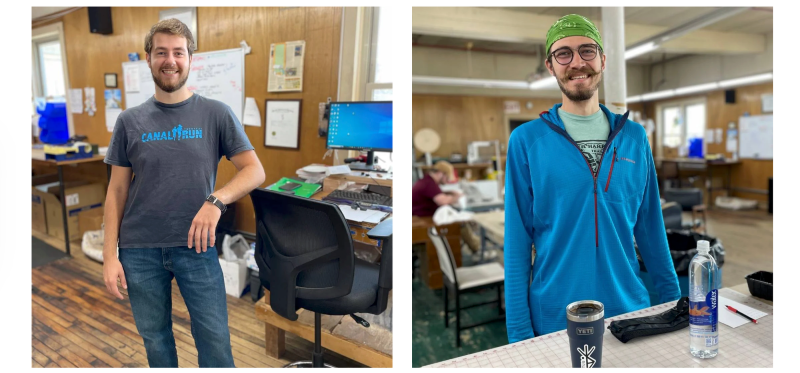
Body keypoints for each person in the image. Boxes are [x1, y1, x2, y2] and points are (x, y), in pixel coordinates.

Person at [503, 14, 680, 342]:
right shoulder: (526, 141)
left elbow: (652, 230)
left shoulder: (634, 137)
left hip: (630, 310)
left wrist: (675, 305)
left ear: (602, 59)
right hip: (555, 315)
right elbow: (516, 243)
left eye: (587, 51)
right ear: (550, 65)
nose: (576, 63)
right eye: (563, 54)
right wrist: (518, 332)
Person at [101, 19, 266, 367]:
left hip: (196, 245)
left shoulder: (216, 114)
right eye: (161, 52)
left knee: (214, 339)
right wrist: (109, 255)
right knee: (155, 339)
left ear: (191, 59)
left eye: (178, 52)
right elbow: (116, 191)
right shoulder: (129, 121)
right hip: (138, 250)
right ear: (148, 58)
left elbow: (254, 170)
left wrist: (216, 201)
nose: (170, 60)